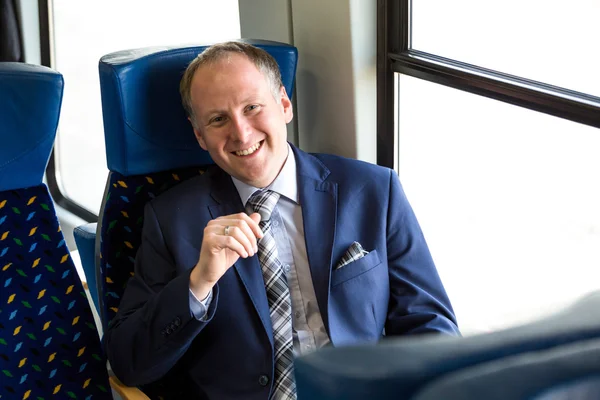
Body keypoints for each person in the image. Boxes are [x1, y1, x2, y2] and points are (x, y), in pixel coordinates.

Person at [105, 41, 459, 400]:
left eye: (252, 107)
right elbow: (128, 361)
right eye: (217, 119)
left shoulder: (372, 191)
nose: (241, 134)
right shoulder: (172, 220)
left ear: (284, 105)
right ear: (199, 135)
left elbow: (430, 326)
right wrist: (199, 282)